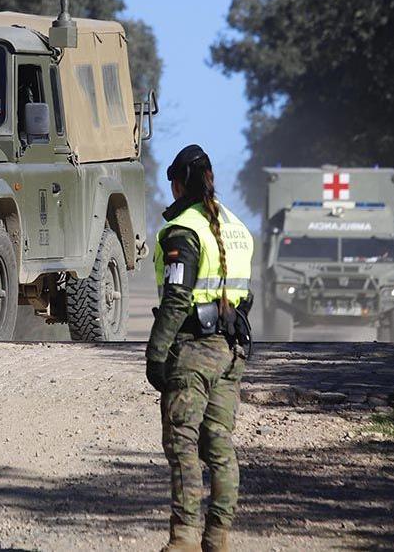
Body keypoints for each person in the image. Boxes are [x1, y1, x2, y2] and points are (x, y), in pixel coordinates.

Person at [147, 144, 255, 552]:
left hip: (193, 350)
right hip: (232, 350)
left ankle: (184, 540)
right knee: (220, 445)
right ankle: (218, 538)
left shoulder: (184, 230)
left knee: (183, 445)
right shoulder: (238, 228)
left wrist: (156, 354)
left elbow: (177, 299)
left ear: (179, 183)